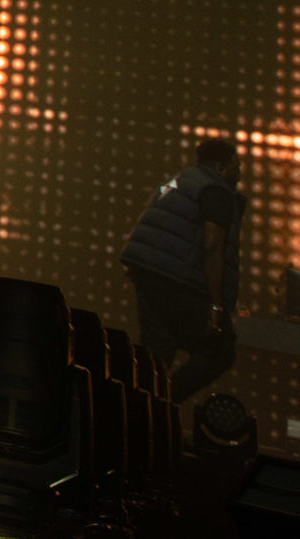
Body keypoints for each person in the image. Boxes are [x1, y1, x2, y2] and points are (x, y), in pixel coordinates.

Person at [120, 136, 247, 403]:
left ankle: (141, 410)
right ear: (220, 166)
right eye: (237, 166)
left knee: (157, 355)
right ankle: (166, 400)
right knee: (220, 351)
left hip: (149, 276)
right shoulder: (216, 191)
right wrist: (217, 306)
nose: (240, 173)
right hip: (183, 282)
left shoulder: (178, 181)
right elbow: (212, 246)